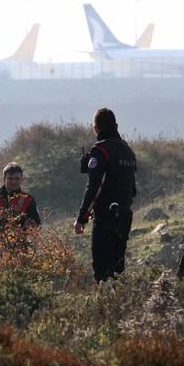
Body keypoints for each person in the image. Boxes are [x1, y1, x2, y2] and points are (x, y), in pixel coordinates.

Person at [73, 107, 137, 283]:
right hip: (125, 215)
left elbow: (94, 187)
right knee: (118, 269)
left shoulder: (101, 151)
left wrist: (82, 218)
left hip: (106, 217)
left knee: (102, 271)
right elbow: (132, 189)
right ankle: (119, 305)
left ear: (96, 129)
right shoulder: (128, 150)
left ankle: (105, 308)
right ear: (116, 125)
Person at [0, 162, 41, 259]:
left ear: (21, 180)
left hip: (20, 246)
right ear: (4, 180)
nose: (14, 182)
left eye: (17, 179)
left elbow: (37, 222)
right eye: (10, 178)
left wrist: (32, 225)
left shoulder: (28, 200)